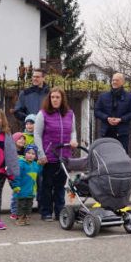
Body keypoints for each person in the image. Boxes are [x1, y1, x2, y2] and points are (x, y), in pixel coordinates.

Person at [34, 86, 78, 221]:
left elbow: (73, 131)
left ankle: (60, 211)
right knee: (46, 186)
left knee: (60, 186)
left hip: (64, 156)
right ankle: (46, 211)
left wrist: (73, 140)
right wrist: (41, 153)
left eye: (57, 97)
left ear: (62, 99)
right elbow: (37, 134)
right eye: (52, 97)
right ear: (49, 98)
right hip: (49, 156)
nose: (55, 99)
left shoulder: (70, 114)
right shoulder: (43, 114)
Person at [94, 73, 131, 153]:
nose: (114, 82)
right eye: (113, 80)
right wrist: (107, 118)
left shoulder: (129, 97)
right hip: (106, 132)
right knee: (106, 155)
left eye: (117, 80)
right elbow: (97, 111)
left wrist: (121, 119)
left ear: (122, 82)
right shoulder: (103, 96)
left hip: (122, 134)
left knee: (121, 155)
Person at [11, 144, 41, 226]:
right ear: (25, 153)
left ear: (35, 156)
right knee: (21, 205)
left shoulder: (35, 165)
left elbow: (39, 172)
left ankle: (26, 217)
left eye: (33, 154)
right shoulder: (21, 163)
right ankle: (20, 218)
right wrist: (16, 186)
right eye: (28, 153)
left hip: (31, 190)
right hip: (21, 190)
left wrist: (41, 165)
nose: (30, 155)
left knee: (29, 205)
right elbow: (16, 176)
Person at [9, 131, 27, 220]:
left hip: (24, 176)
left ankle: (22, 212)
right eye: (20, 139)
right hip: (14, 176)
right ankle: (14, 212)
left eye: (23, 139)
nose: (22, 141)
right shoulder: (11, 152)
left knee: (23, 194)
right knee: (16, 193)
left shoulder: (25, 152)